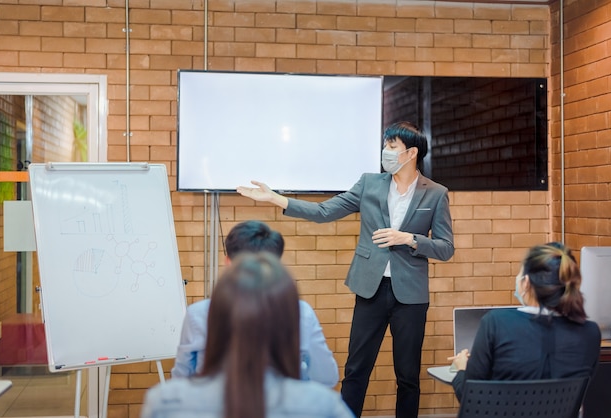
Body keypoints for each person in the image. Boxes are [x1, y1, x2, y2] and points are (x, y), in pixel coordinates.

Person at [237, 121, 455, 418]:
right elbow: (324, 211)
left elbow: (445, 247)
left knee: (407, 376)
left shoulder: (436, 193)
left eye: (392, 147)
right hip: (370, 288)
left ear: (411, 152)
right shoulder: (369, 183)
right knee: (356, 370)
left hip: (411, 296)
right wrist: (276, 198)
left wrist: (410, 239)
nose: (386, 152)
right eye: (386, 146)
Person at [142, 252, 354, 418]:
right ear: (290, 325)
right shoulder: (322, 405)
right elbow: (327, 377)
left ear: (214, 322)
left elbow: (182, 371)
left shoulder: (165, 402)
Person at [171, 220, 339, 388]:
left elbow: (181, 379)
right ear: (276, 264)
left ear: (227, 261)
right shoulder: (302, 312)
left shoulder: (198, 313)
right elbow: (326, 377)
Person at [449, 242, 601, 401]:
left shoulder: (496, 323)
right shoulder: (590, 332)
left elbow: (470, 397)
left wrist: (462, 369)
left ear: (526, 282)